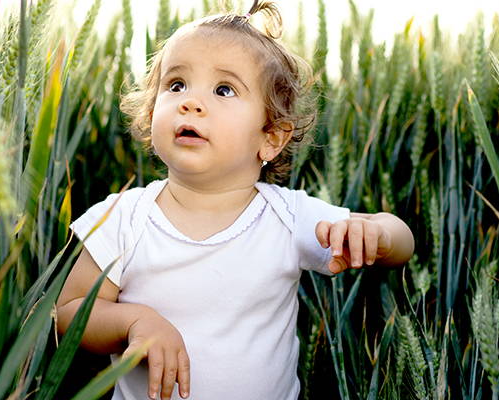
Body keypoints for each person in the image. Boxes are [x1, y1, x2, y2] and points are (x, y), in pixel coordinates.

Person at [54, 2, 415, 398]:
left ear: (271, 137)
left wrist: (375, 234)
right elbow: (69, 312)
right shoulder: (121, 218)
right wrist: (133, 321)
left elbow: (401, 240)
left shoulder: (286, 217)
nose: (190, 102)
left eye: (224, 89)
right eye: (176, 85)